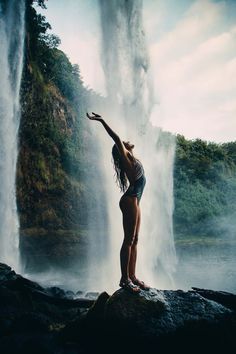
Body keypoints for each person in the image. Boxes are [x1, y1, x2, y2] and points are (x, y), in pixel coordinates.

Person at [87, 112, 150, 293]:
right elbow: (116, 138)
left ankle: (133, 276)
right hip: (130, 201)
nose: (126, 141)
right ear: (122, 149)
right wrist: (102, 120)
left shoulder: (132, 158)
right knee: (128, 239)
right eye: (123, 143)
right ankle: (124, 279)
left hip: (135, 201)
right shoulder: (126, 157)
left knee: (135, 240)